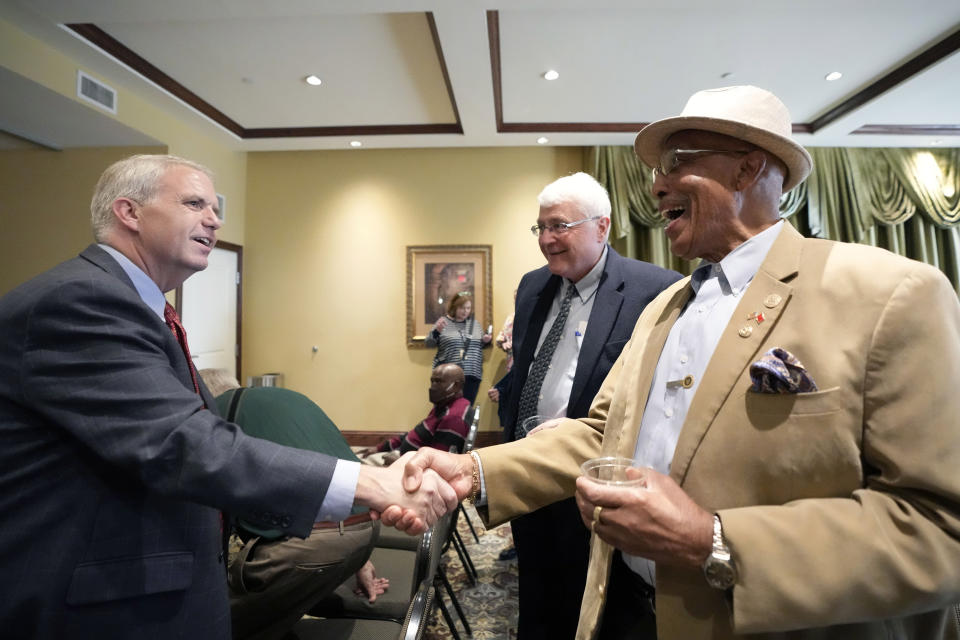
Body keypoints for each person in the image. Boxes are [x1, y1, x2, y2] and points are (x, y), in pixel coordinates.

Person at [396, 86, 960, 640]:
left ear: (749, 170)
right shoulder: (667, 306)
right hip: (633, 612)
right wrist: (475, 471)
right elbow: (604, 434)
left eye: (678, 162)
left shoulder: (891, 293)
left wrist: (712, 540)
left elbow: (941, 531)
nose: (656, 184)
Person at [0, 154, 456, 639]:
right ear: (129, 213)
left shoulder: (136, 305)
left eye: (215, 208)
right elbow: (184, 442)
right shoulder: (81, 300)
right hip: (96, 602)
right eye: (194, 203)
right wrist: (370, 483)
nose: (215, 219)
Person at [496, 171, 684, 640]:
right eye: (540, 227)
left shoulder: (656, 290)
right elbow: (526, 366)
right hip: (529, 470)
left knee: (600, 607)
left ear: (601, 227)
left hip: (598, 480)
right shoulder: (531, 286)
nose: (546, 239)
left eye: (559, 226)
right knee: (537, 597)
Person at [198, 369, 389, 640]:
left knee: (215, 625)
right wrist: (361, 560)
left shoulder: (219, 413)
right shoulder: (291, 399)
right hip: (367, 528)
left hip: (311, 547)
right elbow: (338, 476)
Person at [368, 363, 471, 457]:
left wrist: (398, 461)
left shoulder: (453, 418)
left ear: (456, 385)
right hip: (404, 457)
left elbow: (438, 463)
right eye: (432, 381)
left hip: (407, 467)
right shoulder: (444, 405)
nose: (433, 387)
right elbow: (416, 433)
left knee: (360, 468)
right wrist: (380, 448)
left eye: (438, 381)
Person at [425, 291, 492, 403]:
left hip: (472, 374)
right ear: (454, 307)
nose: (465, 311)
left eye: (468, 308)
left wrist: (485, 341)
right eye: (462, 308)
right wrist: (437, 331)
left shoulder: (474, 324)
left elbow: (479, 346)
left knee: (466, 408)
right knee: (448, 409)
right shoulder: (443, 322)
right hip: (449, 376)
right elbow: (429, 343)